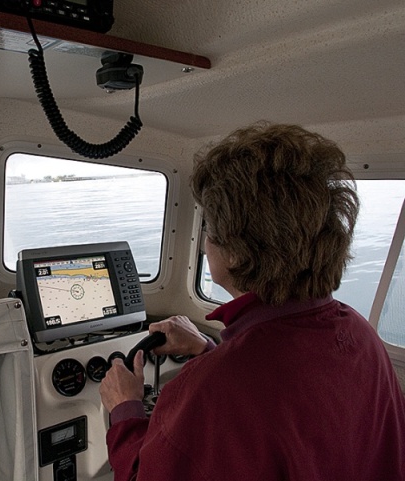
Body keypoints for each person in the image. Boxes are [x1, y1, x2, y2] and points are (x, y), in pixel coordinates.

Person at [99, 122, 405, 480]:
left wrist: (125, 409)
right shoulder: (359, 334)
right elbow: (284, 406)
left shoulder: (215, 390)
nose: (202, 243)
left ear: (236, 253)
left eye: (208, 230)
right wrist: (207, 350)